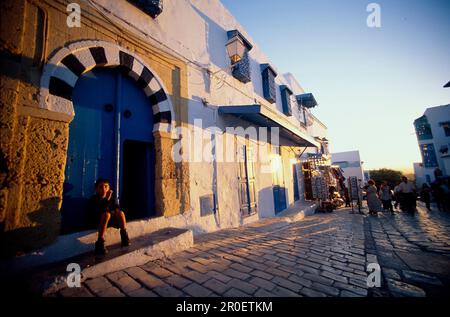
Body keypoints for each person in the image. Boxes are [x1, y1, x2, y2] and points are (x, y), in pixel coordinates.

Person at [88, 178, 130, 255]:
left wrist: (115, 211)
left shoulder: (111, 199)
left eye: (106, 186)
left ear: (109, 188)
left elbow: (116, 207)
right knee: (106, 215)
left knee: (121, 213)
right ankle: (100, 243)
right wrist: (106, 199)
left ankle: (124, 236)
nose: (104, 189)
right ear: (96, 189)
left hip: (109, 221)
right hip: (98, 221)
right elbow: (98, 211)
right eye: (101, 187)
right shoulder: (94, 199)